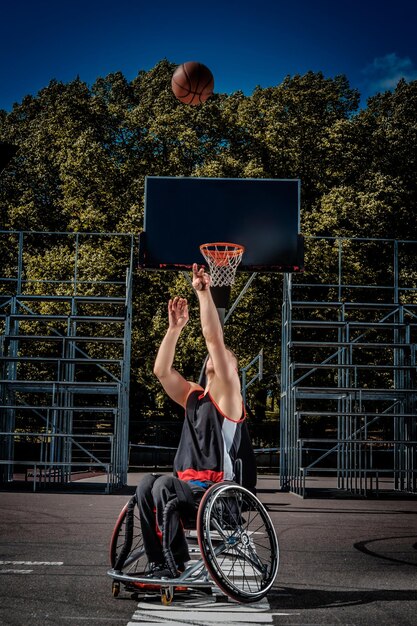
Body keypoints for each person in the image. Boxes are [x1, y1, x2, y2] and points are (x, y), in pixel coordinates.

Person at [136, 263, 247, 579]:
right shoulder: (195, 396)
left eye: (226, 355)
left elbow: (213, 339)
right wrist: (174, 329)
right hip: (188, 488)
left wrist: (203, 292)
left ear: (232, 370)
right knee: (146, 485)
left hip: (215, 492)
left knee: (165, 486)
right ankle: (159, 563)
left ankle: (177, 563)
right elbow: (162, 372)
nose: (218, 354)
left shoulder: (230, 397)